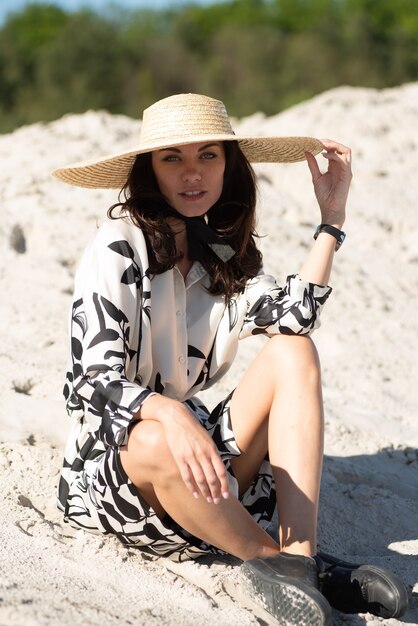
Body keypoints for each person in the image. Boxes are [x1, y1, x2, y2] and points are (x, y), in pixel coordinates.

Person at [53, 93, 408, 625]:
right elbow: (90, 382)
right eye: (173, 158)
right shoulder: (117, 246)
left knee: (294, 350)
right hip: (119, 467)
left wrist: (331, 220)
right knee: (153, 435)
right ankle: (281, 564)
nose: (192, 173)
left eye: (208, 156)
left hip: (199, 467)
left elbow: (296, 316)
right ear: (150, 170)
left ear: (228, 165)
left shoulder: (220, 253)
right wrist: (167, 412)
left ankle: (299, 557)